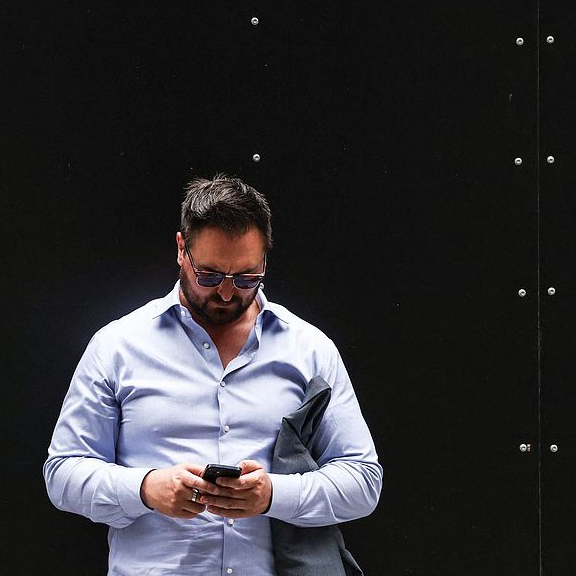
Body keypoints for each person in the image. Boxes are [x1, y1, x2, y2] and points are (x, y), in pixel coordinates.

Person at [43, 174, 382, 575]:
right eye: (209, 275)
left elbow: (363, 481)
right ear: (181, 249)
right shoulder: (117, 346)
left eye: (246, 279)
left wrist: (274, 494)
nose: (225, 293)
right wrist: (146, 488)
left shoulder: (310, 350)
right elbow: (63, 472)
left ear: (265, 261)